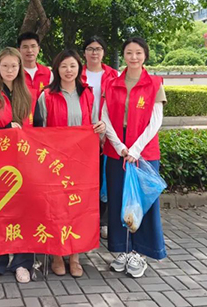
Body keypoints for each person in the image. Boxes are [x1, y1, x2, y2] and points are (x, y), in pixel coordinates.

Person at [0, 47, 42, 284]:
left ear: (20, 67)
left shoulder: (31, 94)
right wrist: (4, 131)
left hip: (25, 163)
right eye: (5, 66)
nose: (10, 70)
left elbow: (40, 128)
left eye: (14, 66)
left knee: (24, 213)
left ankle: (23, 263)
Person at [101, 37, 167, 278]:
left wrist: (135, 149)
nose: (133, 57)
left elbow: (156, 121)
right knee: (118, 200)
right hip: (117, 152)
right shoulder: (112, 83)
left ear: (145, 55)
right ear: (124, 56)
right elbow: (105, 117)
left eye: (138, 53)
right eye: (129, 52)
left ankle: (140, 253)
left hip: (144, 153)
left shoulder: (155, 83)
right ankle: (122, 250)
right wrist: (120, 146)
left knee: (143, 203)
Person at [37, 49, 106, 277]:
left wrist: (100, 128)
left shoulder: (87, 94)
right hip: (54, 163)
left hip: (81, 162)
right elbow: (39, 131)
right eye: (64, 66)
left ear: (79, 68)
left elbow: (95, 123)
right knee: (56, 208)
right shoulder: (46, 96)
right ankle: (57, 255)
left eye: (73, 66)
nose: (68, 70)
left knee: (78, 208)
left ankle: (75, 257)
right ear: (57, 69)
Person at [81, 36, 118, 240]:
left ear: (103, 52)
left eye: (98, 49)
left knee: (104, 178)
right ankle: (84, 219)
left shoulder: (113, 75)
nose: (94, 52)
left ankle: (103, 221)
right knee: (85, 178)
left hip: (107, 132)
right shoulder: (77, 73)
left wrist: (107, 132)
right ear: (84, 52)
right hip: (82, 134)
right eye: (90, 48)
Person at [17, 32, 53, 99]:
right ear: (19, 50)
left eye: (33, 46)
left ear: (38, 49)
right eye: (25, 47)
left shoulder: (48, 73)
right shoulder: (15, 73)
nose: (30, 50)